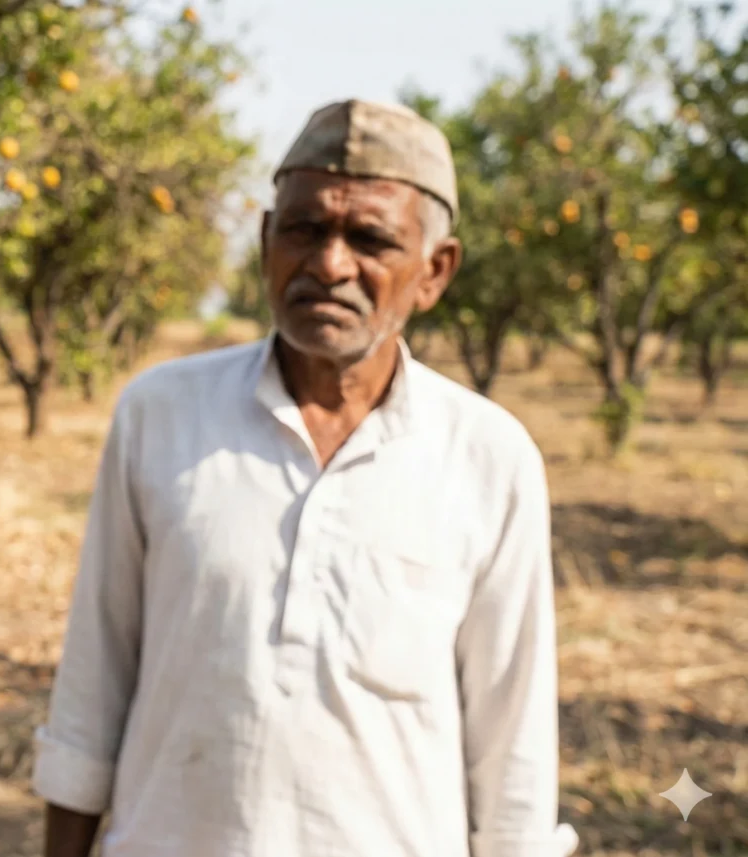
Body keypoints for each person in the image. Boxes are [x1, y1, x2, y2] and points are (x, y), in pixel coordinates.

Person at [32, 99, 580, 857]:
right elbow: (95, 676)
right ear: (265, 242)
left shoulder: (489, 457)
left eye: (371, 238)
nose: (329, 263)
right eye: (305, 229)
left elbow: (512, 740)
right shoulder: (161, 413)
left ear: (435, 272)